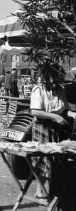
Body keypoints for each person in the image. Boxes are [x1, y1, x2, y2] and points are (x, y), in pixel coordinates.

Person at [30, 62, 76, 199]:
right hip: (42, 127)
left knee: (54, 160)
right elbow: (35, 111)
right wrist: (55, 116)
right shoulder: (38, 89)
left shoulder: (59, 90)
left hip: (56, 129)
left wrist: (72, 114)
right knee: (42, 161)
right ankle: (40, 189)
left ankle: (50, 191)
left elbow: (63, 109)